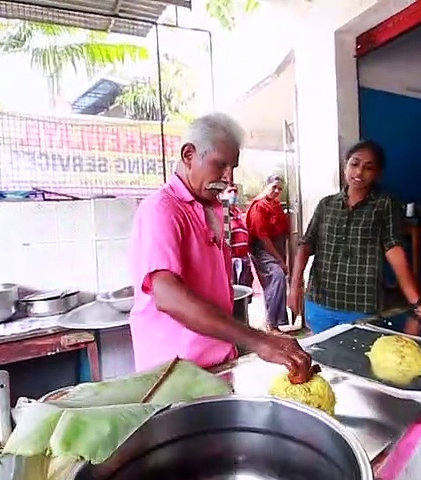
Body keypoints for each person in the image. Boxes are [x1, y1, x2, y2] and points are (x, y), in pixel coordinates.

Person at [129, 113, 312, 382]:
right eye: (220, 165)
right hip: (175, 377)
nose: (228, 178)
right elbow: (168, 296)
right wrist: (259, 341)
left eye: (233, 168)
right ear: (189, 155)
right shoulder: (161, 210)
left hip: (217, 369)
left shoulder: (213, 208)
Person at [288, 140, 421, 334]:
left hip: (360, 306)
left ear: (378, 174)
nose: (359, 172)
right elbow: (306, 244)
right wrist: (294, 287)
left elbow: (393, 249)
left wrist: (417, 301)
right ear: (345, 165)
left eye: (368, 168)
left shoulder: (384, 204)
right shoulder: (326, 205)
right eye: (354, 164)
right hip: (319, 303)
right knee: (323, 357)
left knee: (359, 360)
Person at [245, 175, 290, 331]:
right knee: (277, 277)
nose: (277, 191)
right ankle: (273, 324)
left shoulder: (275, 206)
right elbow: (262, 237)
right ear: (266, 185)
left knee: (274, 284)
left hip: (277, 248)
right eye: (274, 187)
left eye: (280, 189)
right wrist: (280, 261)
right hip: (263, 249)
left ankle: (274, 323)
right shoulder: (259, 207)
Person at [221, 185, 254, 291]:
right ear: (222, 194)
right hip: (231, 260)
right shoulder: (222, 213)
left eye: (235, 191)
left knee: (244, 292)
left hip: (243, 259)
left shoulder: (238, 213)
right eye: (229, 191)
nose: (233, 194)